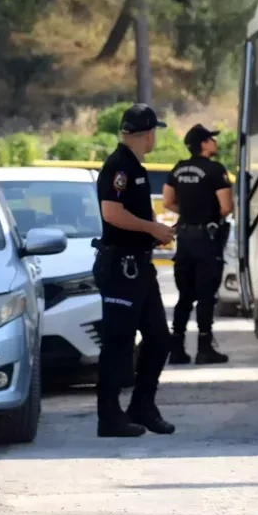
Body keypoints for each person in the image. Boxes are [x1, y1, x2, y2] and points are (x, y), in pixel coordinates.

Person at [93, 103, 177, 437]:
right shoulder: (120, 166)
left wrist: (151, 233)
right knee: (118, 343)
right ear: (148, 133)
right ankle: (109, 416)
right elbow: (111, 213)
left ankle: (143, 404)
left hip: (139, 266)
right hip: (121, 268)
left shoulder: (135, 167)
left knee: (158, 339)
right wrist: (152, 228)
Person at [163, 124, 234, 365]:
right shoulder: (215, 170)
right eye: (211, 139)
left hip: (184, 238)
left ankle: (177, 349)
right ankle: (205, 348)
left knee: (185, 296)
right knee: (206, 296)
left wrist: (190, 212)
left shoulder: (178, 168)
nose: (215, 143)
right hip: (206, 240)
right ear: (203, 144)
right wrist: (207, 214)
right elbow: (226, 207)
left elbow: (168, 202)